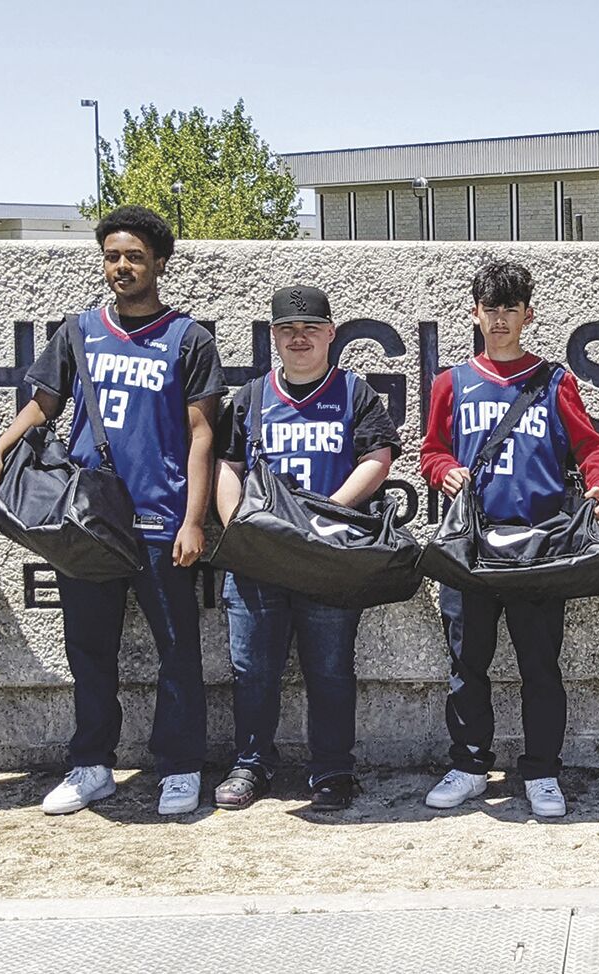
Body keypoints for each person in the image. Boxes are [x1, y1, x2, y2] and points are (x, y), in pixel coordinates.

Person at [0, 206, 223, 817]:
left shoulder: (189, 339)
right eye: (112, 256)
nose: (122, 267)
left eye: (135, 256)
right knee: (88, 647)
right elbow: (42, 404)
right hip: (87, 520)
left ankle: (180, 767)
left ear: (159, 262)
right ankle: (92, 765)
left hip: (160, 521)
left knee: (177, 649)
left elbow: (202, 435)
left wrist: (193, 519)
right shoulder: (80, 331)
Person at [419, 260, 599, 818]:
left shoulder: (555, 381)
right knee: (467, 664)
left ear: (529, 314)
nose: (500, 318)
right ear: (474, 312)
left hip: (540, 550)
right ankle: (469, 765)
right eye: (490, 307)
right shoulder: (451, 382)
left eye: (511, 307)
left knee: (540, 665)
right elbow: (431, 450)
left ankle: (542, 771)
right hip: (471, 550)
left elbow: (590, 448)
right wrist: (442, 471)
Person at [212, 285, 402, 812]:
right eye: (288, 329)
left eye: (311, 329)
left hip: (328, 557)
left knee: (330, 669)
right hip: (260, 558)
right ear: (272, 336)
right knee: (252, 669)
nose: (300, 338)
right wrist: (239, 528)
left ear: (330, 334)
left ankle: (332, 770)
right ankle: (251, 765)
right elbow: (227, 467)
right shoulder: (252, 397)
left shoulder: (354, 393)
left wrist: (327, 514)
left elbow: (378, 456)